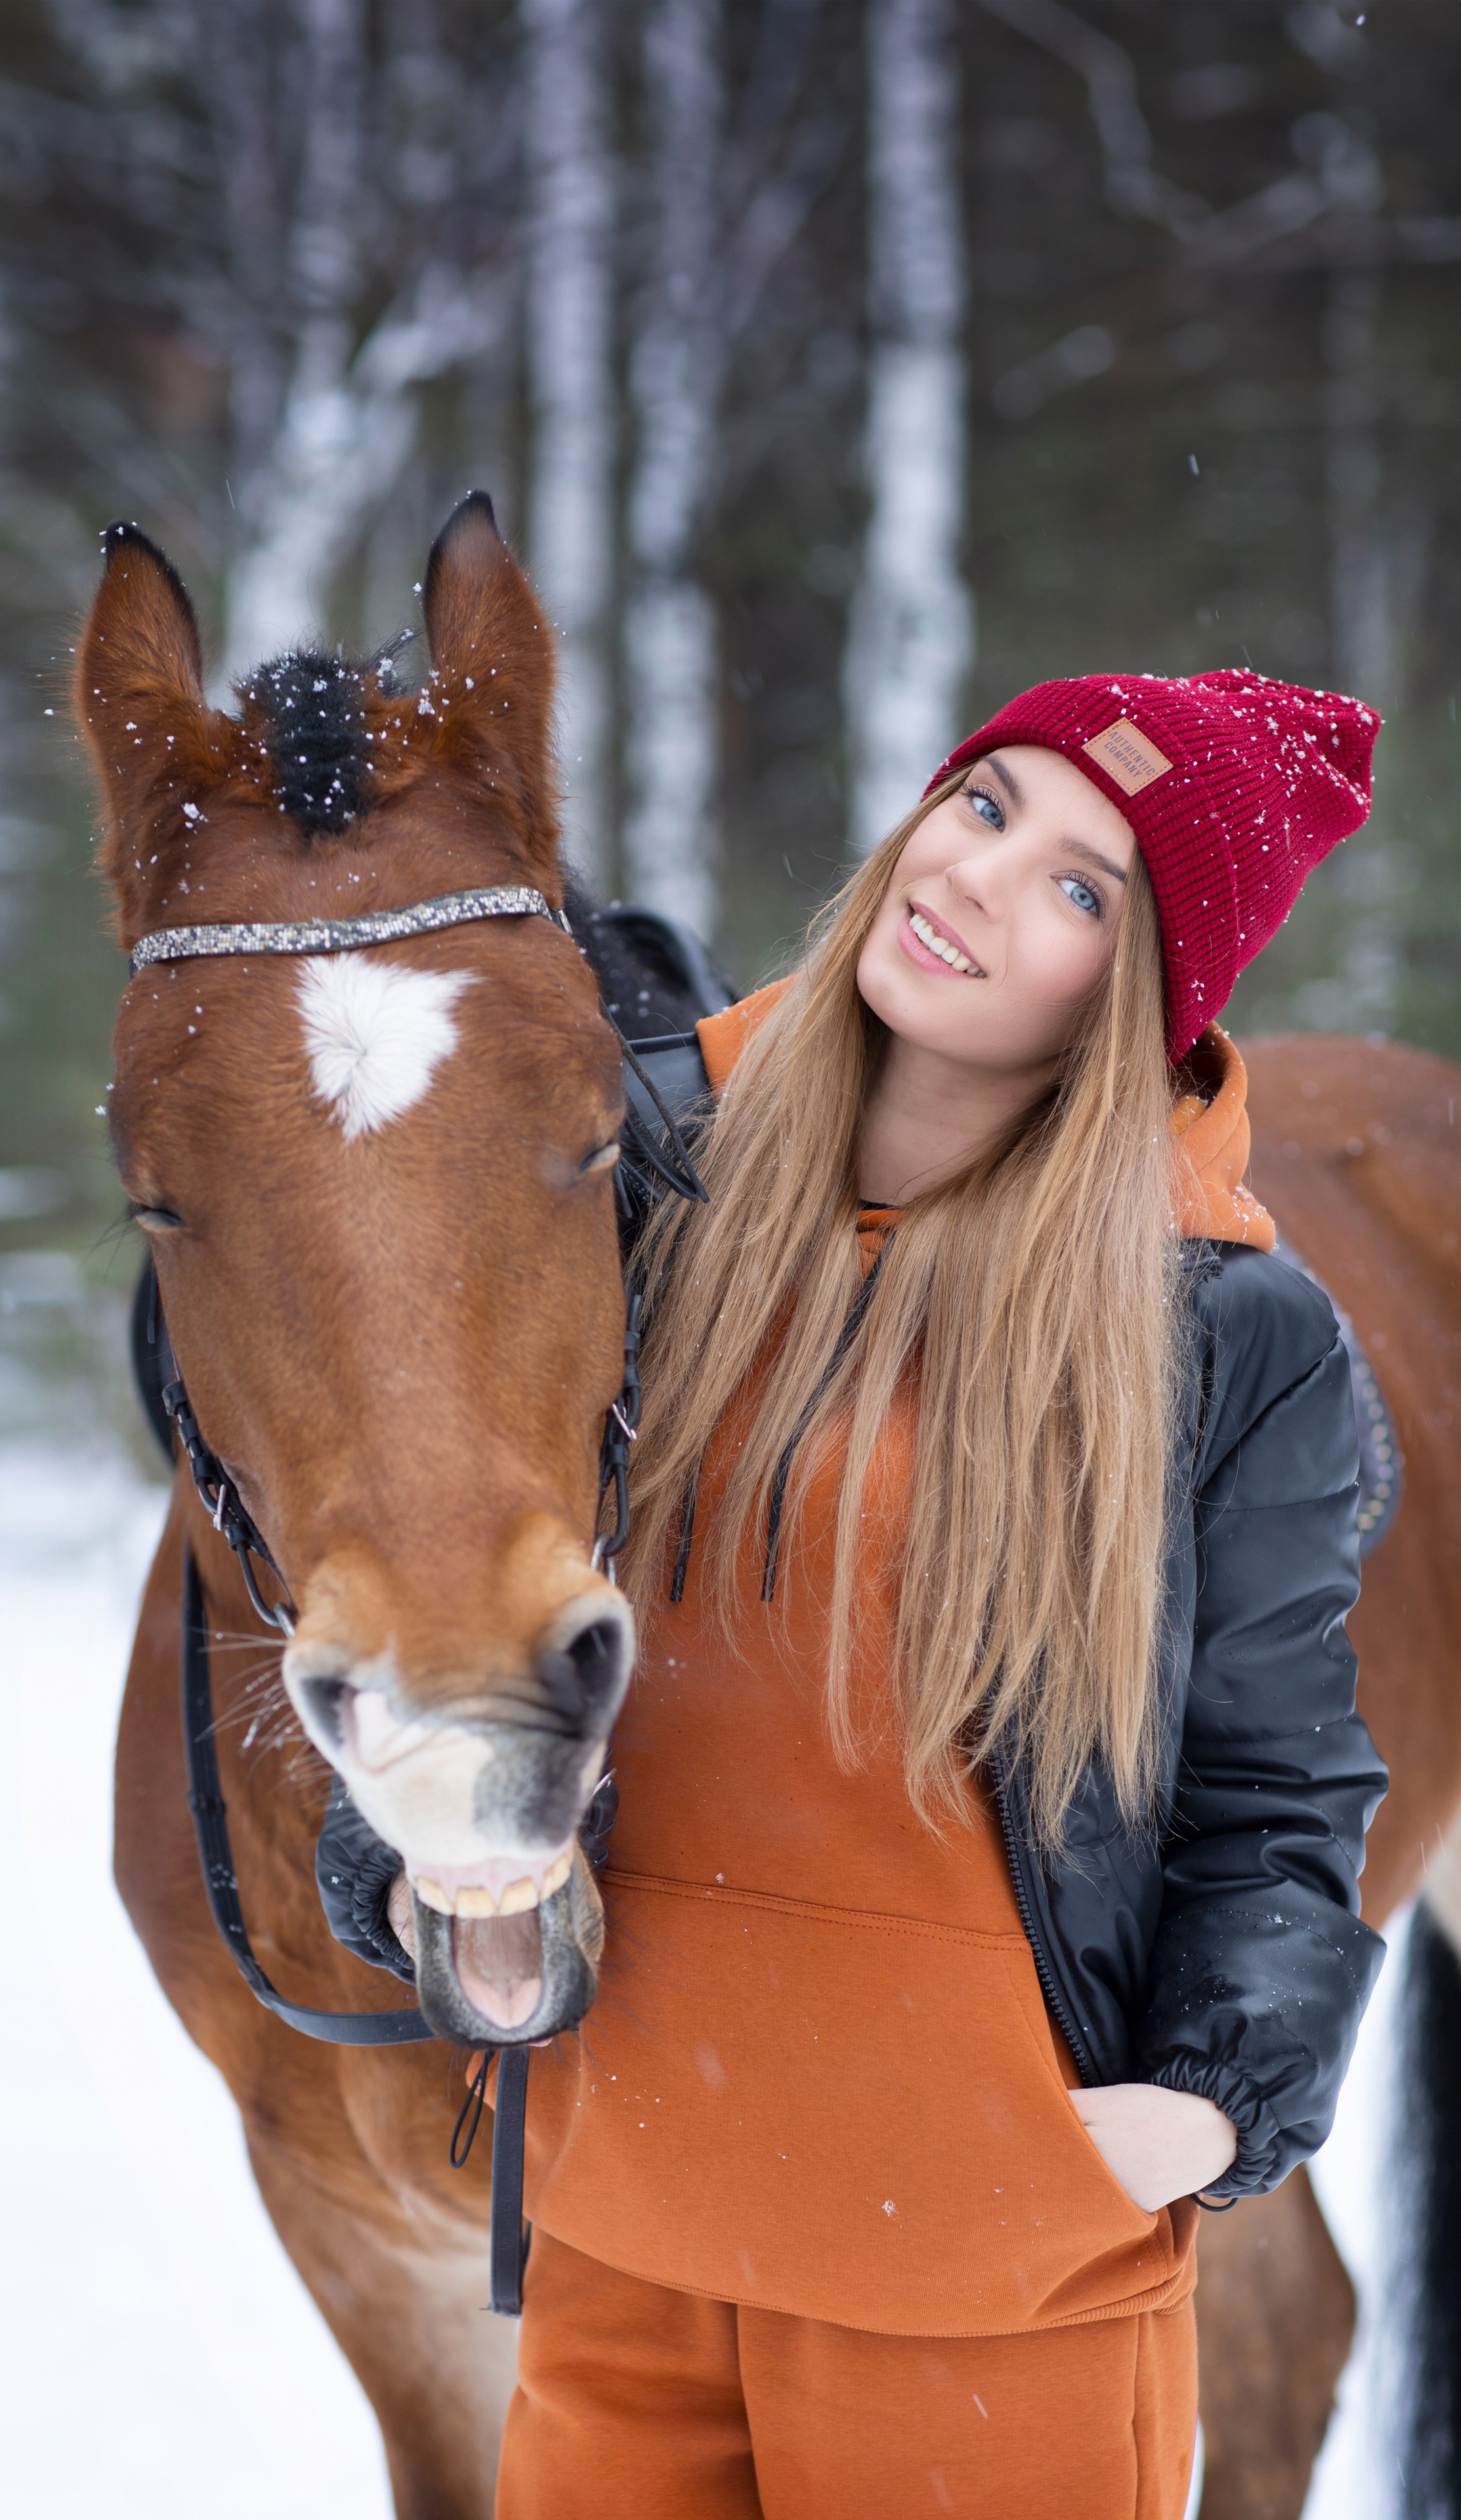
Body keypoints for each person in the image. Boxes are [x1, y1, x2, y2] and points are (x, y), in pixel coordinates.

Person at [494, 671, 1390, 2520]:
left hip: (994, 2280)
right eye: (987, 806)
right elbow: (449, 1608)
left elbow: (1277, 1791)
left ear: (1143, 999)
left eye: (1084, 890)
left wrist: (1205, 2107)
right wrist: (441, 1890)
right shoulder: (631, 1190)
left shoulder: (1217, 1327)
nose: (979, 881)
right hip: (624, 2235)